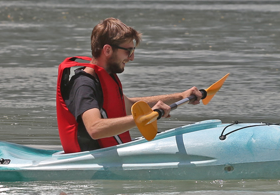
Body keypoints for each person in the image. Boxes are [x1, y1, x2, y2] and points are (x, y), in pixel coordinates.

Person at [55, 18, 203, 153]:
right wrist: (143, 117)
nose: (131, 58)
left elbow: (128, 105)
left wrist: (181, 96)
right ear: (107, 50)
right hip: (89, 161)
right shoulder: (84, 85)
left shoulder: (104, 78)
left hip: (109, 156)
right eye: (128, 51)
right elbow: (95, 128)